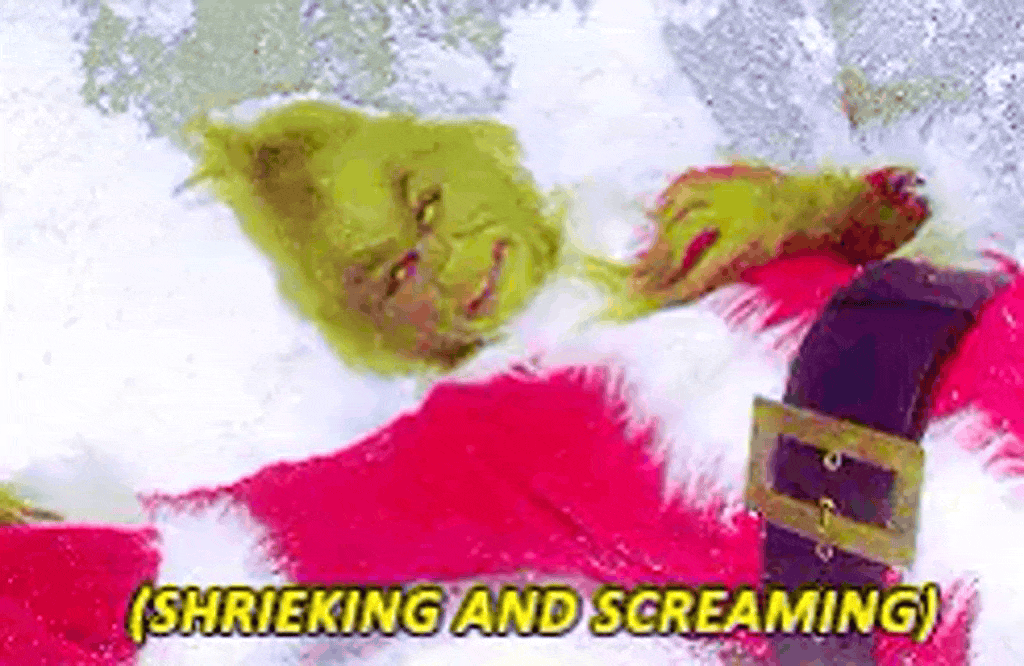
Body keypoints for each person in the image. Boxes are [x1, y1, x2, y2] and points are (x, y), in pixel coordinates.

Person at [2, 103, 1022, 666]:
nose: (444, 259)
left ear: (485, 153)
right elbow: (222, 559)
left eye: (426, 202)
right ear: (375, 333)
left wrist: (814, 205)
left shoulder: (696, 203)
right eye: (391, 273)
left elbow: (937, 229)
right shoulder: (467, 449)